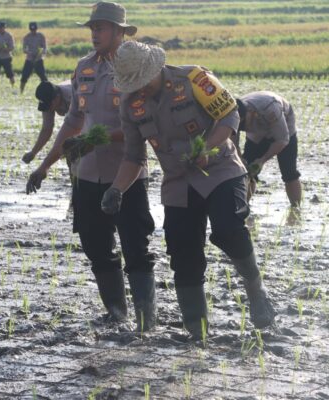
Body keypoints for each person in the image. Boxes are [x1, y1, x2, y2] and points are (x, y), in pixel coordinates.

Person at [105, 41, 276, 338]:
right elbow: (134, 157)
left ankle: (255, 289)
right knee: (183, 255)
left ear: (155, 70)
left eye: (143, 81)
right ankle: (197, 333)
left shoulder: (195, 79)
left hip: (220, 169)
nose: (140, 88)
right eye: (133, 84)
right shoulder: (131, 105)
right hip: (178, 182)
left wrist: (208, 148)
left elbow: (229, 116)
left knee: (228, 229)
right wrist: (117, 188)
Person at [26, 2, 157, 330]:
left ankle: (146, 320)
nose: (95, 34)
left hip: (126, 174)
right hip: (87, 175)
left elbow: (141, 124)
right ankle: (116, 313)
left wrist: (99, 139)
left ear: (119, 32)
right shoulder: (84, 67)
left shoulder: (134, 69)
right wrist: (43, 167)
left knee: (136, 247)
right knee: (96, 246)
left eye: (101, 28)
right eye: (92, 28)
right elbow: (73, 121)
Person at [236, 92, 302, 207]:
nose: (241, 127)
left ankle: (296, 208)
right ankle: (242, 207)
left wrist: (262, 160)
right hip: (257, 133)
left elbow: (282, 140)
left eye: (242, 124)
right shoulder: (232, 115)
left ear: (251, 113)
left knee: (289, 172)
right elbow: (233, 143)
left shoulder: (270, 108)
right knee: (248, 172)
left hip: (284, 128)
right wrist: (241, 160)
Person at [22, 80, 72, 164]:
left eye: (49, 105)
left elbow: (76, 126)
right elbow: (47, 129)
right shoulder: (46, 99)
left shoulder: (73, 97)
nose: (48, 109)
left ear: (57, 97)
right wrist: (33, 152)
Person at [20, 22, 47, 94]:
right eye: (32, 30)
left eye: (34, 29)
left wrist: (40, 53)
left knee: (43, 77)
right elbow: (24, 49)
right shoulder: (26, 37)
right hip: (29, 59)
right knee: (24, 76)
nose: (33, 31)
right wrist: (29, 52)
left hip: (38, 59)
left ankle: (47, 91)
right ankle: (21, 91)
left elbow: (44, 48)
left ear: (36, 29)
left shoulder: (41, 36)